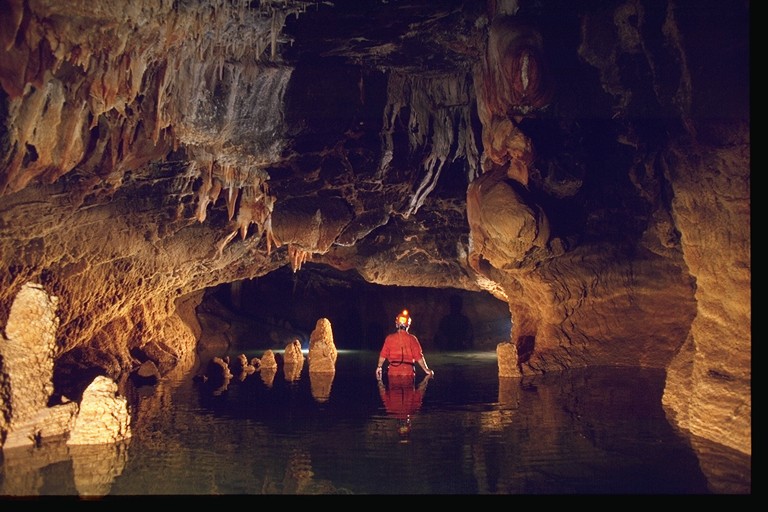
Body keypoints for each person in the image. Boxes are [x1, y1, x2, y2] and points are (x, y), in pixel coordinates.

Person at [375, 309, 435, 380]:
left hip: (393, 372)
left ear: (397, 324)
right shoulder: (413, 339)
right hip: (408, 372)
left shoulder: (389, 338)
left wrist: (379, 367)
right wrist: (426, 369)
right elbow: (418, 356)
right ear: (408, 326)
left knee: (393, 391)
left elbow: (383, 354)